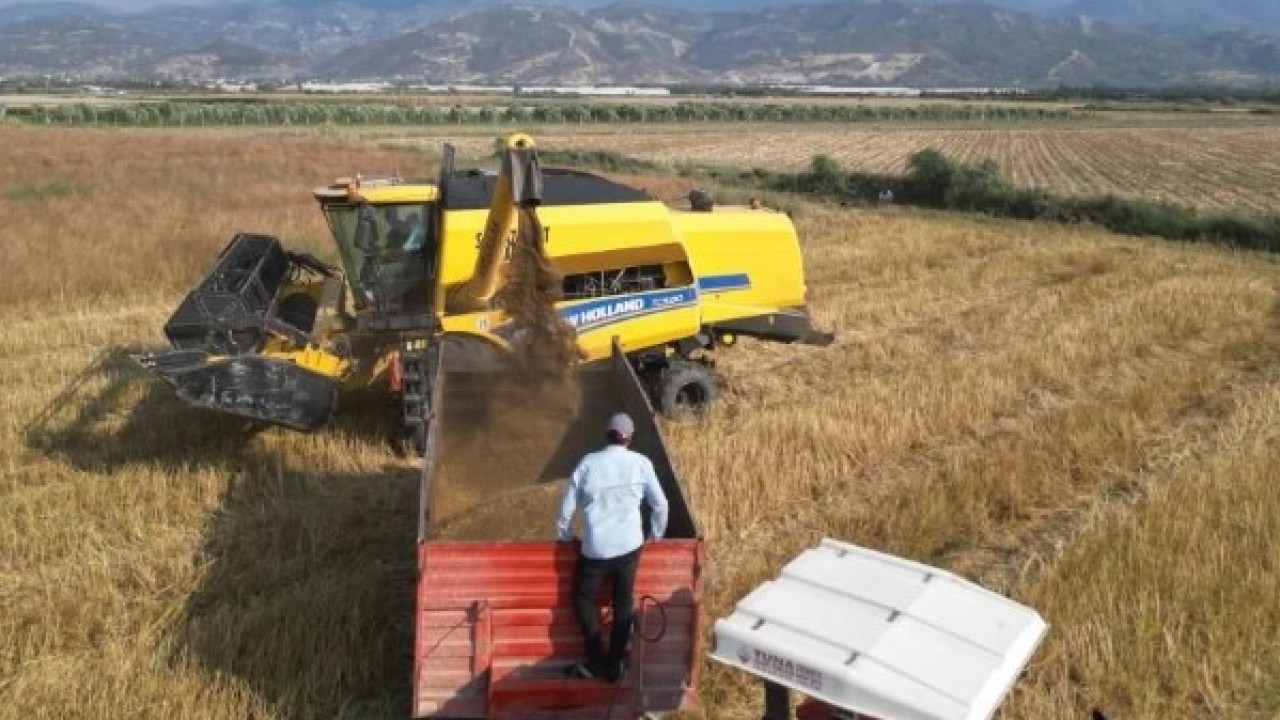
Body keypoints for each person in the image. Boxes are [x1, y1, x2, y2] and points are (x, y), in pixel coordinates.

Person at [556, 412, 669, 682]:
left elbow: (566, 508)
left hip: (595, 549)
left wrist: (564, 536)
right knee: (623, 604)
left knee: (582, 600)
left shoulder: (588, 464)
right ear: (629, 437)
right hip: (630, 547)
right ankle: (615, 664)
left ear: (607, 434)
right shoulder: (641, 463)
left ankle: (595, 659)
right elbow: (661, 505)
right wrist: (655, 535)